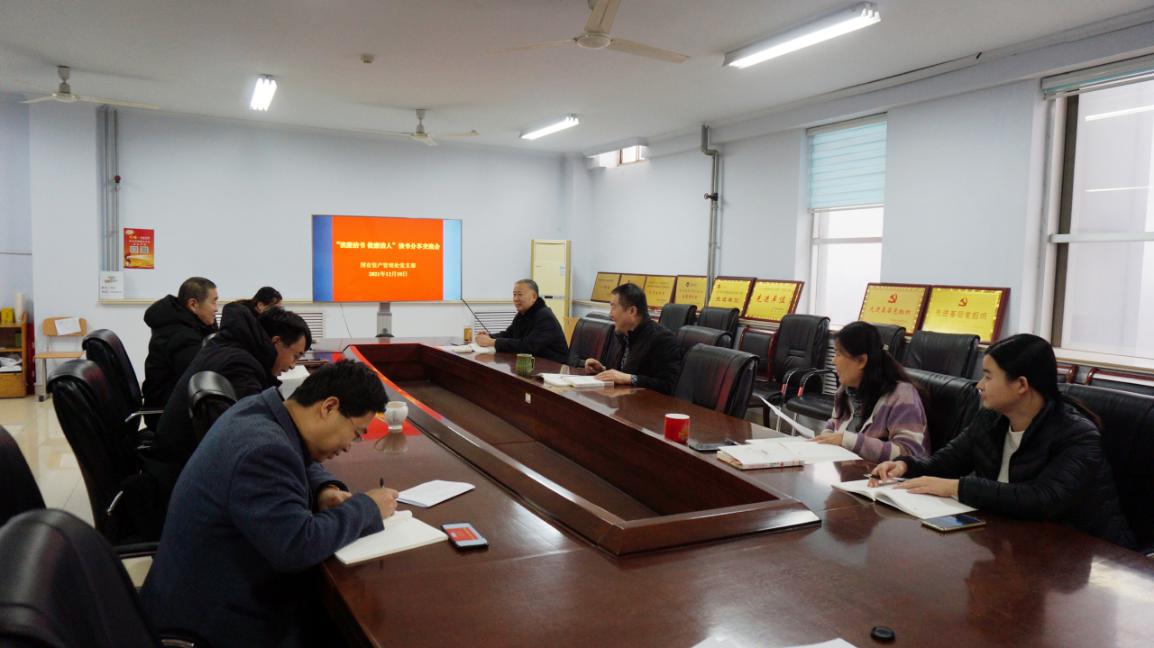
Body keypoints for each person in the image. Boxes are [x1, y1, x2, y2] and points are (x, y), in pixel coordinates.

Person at [141, 360, 399, 647]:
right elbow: (297, 545)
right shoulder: (264, 450)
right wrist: (368, 508)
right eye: (356, 433)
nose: (350, 445)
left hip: (203, 593)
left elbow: (295, 453)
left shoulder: (260, 411)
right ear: (329, 407)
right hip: (216, 624)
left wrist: (324, 487)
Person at [871, 334, 1135, 548]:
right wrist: (905, 465)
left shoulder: (1077, 434)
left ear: (1021, 385)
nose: (979, 385)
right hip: (1012, 539)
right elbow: (946, 462)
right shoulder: (991, 419)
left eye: (988, 376)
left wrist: (956, 487)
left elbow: (1043, 499)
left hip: (1083, 556)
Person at [150, 304, 312, 499]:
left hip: (177, 464)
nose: (293, 365)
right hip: (181, 479)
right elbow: (259, 435)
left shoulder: (231, 345)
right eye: (295, 356)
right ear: (276, 342)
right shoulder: (240, 366)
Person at [813, 321, 929, 462]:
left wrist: (846, 440)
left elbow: (908, 453)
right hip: (851, 469)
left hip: (884, 474)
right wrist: (826, 438)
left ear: (862, 361)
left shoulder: (902, 395)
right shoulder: (845, 390)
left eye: (838, 354)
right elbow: (834, 423)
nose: (833, 361)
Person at [142, 277, 219, 423]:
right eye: (213, 302)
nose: (216, 308)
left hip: (170, 405)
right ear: (193, 304)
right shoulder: (182, 337)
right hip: (168, 416)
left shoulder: (185, 324)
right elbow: (200, 378)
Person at [583, 283, 681, 394]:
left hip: (644, 403)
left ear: (632, 311)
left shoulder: (663, 339)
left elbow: (667, 385)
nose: (610, 314)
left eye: (613, 307)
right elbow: (623, 374)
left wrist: (630, 379)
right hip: (621, 399)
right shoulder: (622, 333)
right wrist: (603, 371)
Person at [475, 279, 569, 363]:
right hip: (532, 362)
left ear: (534, 297)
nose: (516, 299)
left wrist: (492, 342)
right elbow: (509, 334)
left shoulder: (545, 317)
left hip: (554, 366)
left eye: (520, 295)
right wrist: (489, 336)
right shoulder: (522, 314)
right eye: (514, 295)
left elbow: (528, 346)